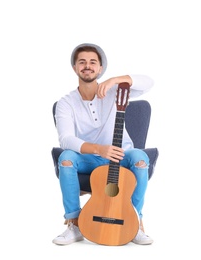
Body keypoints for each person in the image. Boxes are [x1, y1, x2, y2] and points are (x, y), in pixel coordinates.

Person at [52, 43, 154, 246]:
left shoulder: (114, 91)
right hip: (88, 158)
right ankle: (74, 223)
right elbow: (66, 139)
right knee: (66, 158)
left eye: (92, 62)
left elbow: (148, 83)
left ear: (100, 68)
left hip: (120, 154)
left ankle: (134, 222)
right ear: (75, 68)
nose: (87, 66)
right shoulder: (66, 103)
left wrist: (116, 80)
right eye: (82, 62)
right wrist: (99, 149)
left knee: (141, 158)